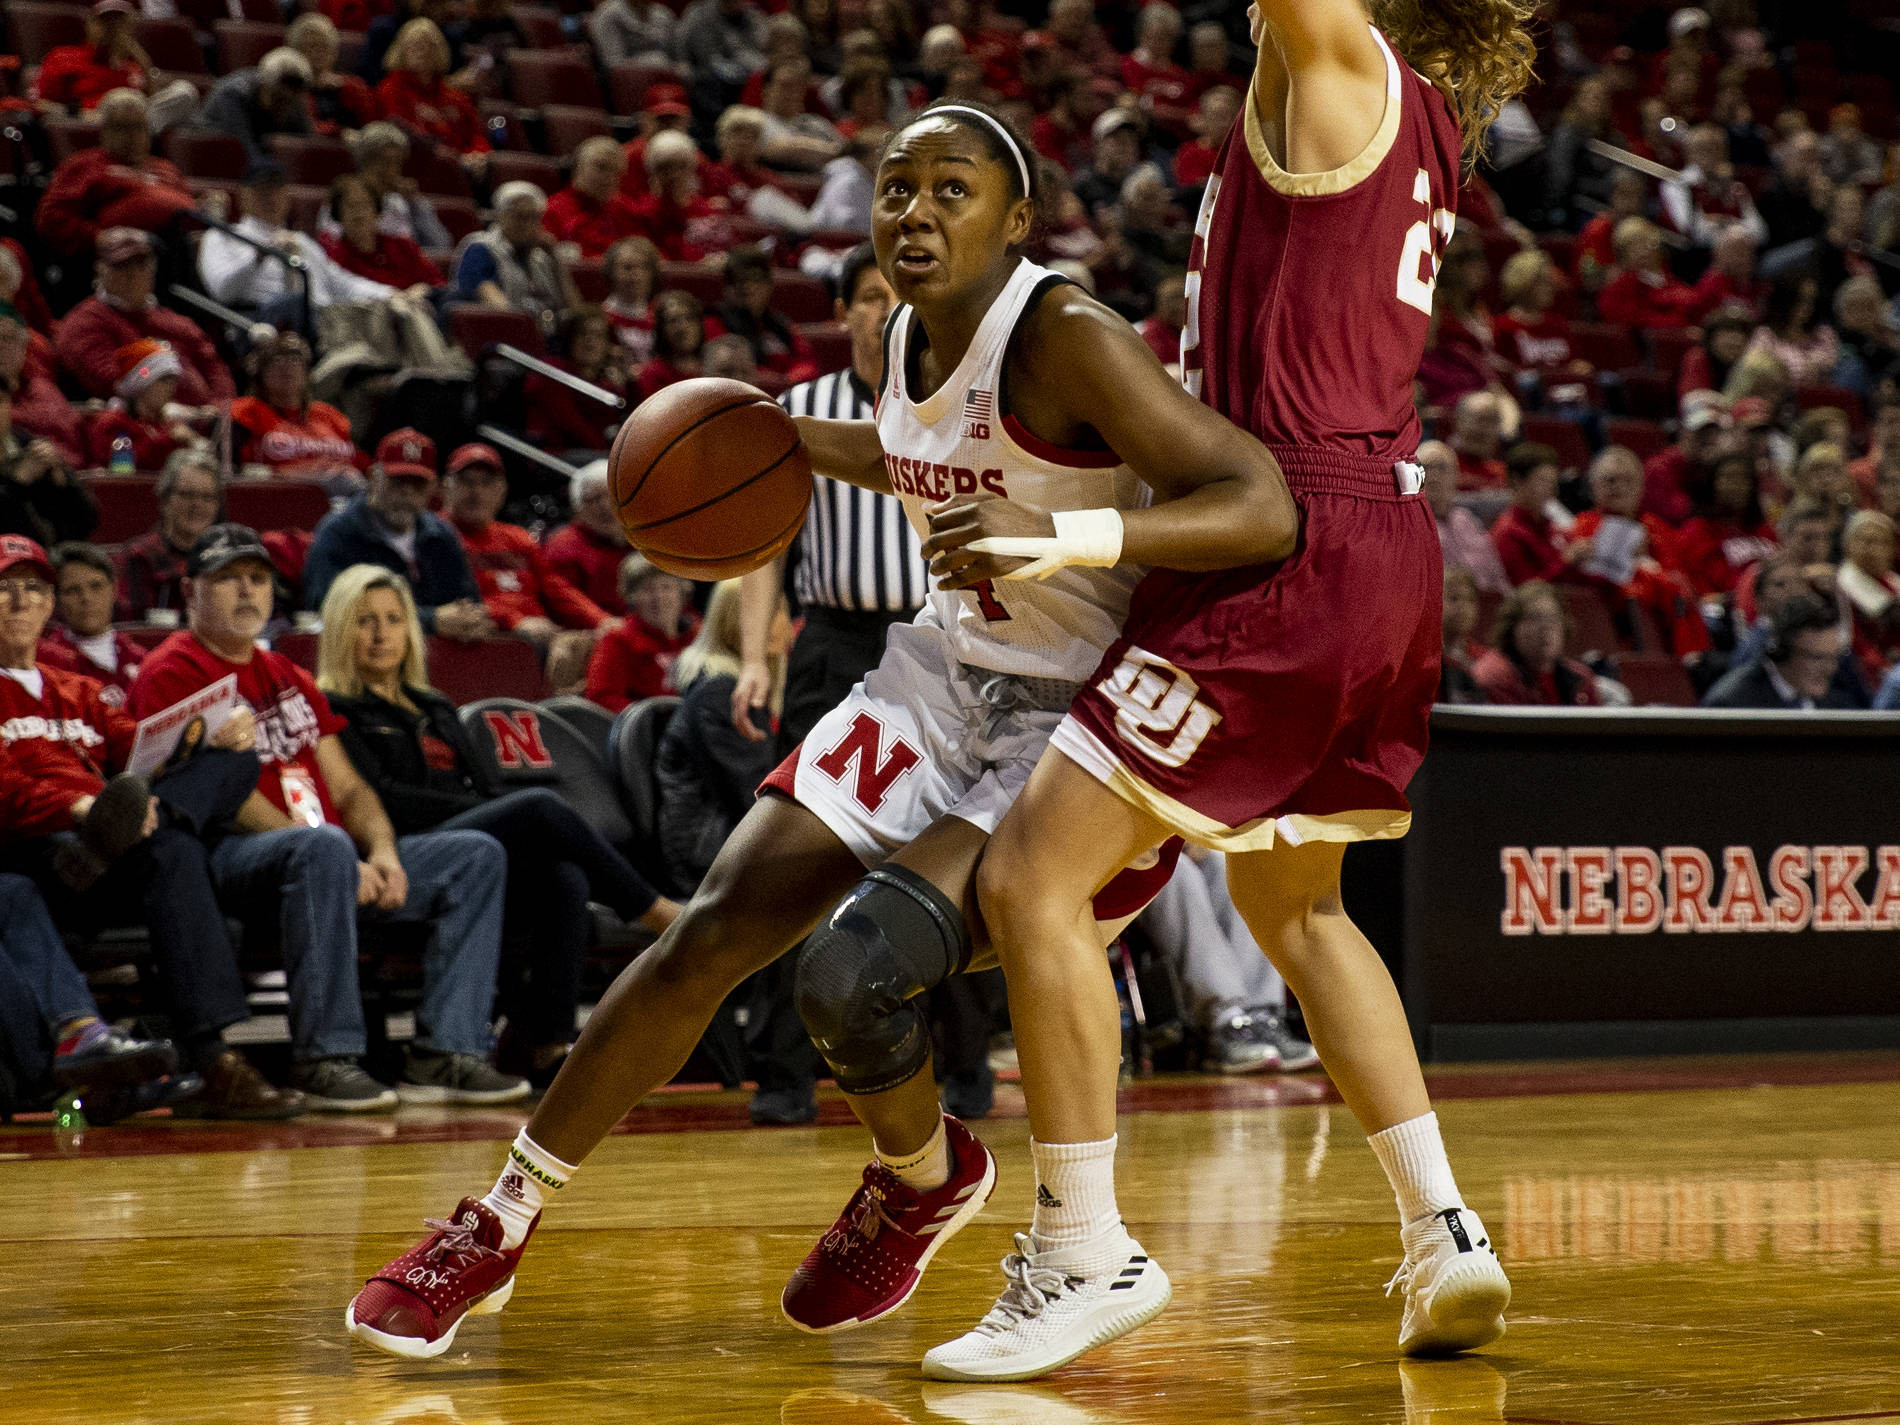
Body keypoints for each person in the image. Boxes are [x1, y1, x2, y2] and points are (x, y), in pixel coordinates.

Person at [346, 98, 1298, 1364]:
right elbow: (922, 458)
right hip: (943, 673)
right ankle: (501, 1218)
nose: (914, 212)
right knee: (712, 930)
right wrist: (779, 444)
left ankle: (925, 1182)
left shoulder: (1066, 335)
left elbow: (1260, 506)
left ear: (1018, 220)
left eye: (950, 190)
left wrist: (1064, 536)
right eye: (896, 190)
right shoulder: (906, 336)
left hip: (1074, 709)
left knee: (848, 977)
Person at [941, 0, 1533, 1379]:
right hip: (1378, 546)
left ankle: (1082, 1244)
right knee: (1298, 905)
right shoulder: (1382, 104)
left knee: (1034, 876)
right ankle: (1441, 1228)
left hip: (1290, 542)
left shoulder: (1337, 64)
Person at [132, 524, 527, 1111]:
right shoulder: (173, 670)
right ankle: (326, 1057)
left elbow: (349, 785)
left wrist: (384, 853)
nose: (247, 592)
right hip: (234, 858)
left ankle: (446, 1051)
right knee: (325, 850)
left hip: (323, 851)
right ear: (191, 592)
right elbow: (223, 797)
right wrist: (332, 849)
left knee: (475, 854)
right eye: (228, 580)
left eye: (258, 579)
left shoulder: (287, 674)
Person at [319, 564, 679, 1085]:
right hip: (398, 854)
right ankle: (656, 912)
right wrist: (479, 812)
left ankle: (546, 1042)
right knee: (536, 807)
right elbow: (383, 801)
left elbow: (478, 789)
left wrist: (481, 812)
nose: (381, 634)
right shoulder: (335, 708)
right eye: (364, 620)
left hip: (468, 847)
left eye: (393, 619)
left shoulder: (436, 706)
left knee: (564, 877)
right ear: (339, 630)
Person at [0, 534, 305, 1119]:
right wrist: (81, 810)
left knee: (214, 785)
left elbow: (137, 747)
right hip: (41, 858)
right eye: (6, 589)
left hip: (111, 857)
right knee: (170, 847)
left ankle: (214, 1061)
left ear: (48, 605)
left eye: (33, 590)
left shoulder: (79, 691)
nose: (19, 602)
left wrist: (210, 733)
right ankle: (214, 1059)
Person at [725, 243, 926, 1124]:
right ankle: (781, 1077)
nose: (883, 311)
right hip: (832, 644)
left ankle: (957, 1073)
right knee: (799, 857)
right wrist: (752, 658)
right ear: (842, 311)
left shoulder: (952, 402)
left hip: (934, 649)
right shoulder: (800, 409)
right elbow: (764, 545)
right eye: (869, 297)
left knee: (936, 853)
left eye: (896, 297)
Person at [441, 443, 613, 691]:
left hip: (539, 637)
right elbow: (451, 598)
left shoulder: (517, 538)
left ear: (502, 491)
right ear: (445, 487)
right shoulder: (438, 535)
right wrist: (514, 622)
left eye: (487, 483)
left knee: (594, 644)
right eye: (467, 482)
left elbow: (556, 589)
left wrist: (601, 621)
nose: (476, 492)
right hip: (485, 637)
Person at [303, 430, 491, 642]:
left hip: (440, 663)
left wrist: (470, 621)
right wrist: (431, 621)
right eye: (398, 481)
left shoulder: (441, 535)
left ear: (433, 487)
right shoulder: (340, 532)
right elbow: (330, 608)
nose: (407, 492)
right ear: (374, 477)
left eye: (417, 483)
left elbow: (469, 605)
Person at [55, 229, 236, 408]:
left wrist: (220, 407)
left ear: (153, 266)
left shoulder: (175, 322)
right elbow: (112, 381)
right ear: (100, 270)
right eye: (121, 265)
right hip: (144, 426)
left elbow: (213, 367)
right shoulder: (85, 323)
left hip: (209, 421)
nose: (132, 274)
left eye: (141, 263)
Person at [35, 89, 196, 261]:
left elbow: (188, 205)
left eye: (140, 127)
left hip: (181, 246)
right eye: (123, 127)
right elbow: (50, 216)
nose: (133, 136)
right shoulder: (85, 164)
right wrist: (98, 237)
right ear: (104, 131)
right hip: (123, 257)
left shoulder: (165, 168)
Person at [228, 331, 363, 488]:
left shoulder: (329, 415)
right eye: (276, 360)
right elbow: (238, 470)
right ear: (260, 373)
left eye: (295, 359)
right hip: (281, 497)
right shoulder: (248, 411)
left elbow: (362, 464)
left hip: (346, 497)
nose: (287, 366)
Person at [451, 183, 578, 333]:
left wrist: (556, 261)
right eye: (521, 217)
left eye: (535, 218)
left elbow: (575, 313)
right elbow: (498, 308)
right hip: (499, 337)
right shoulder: (480, 248)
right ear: (500, 217)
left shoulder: (541, 258)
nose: (528, 225)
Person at [116, 450, 220, 623]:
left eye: (207, 497)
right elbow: (132, 626)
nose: (197, 505)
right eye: (187, 495)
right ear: (164, 499)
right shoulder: (140, 556)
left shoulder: (223, 558)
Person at [584, 554, 696, 712]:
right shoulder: (617, 640)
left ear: (682, 593)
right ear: (631, 597)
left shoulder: (698, 635)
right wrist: (651, 716)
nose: (659, 597)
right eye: (647, 589)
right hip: (645, 731)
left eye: (666, 587)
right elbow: (601, 699)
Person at [1703, 592, 1853, 709]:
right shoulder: (1733, 704)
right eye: (1817, 658)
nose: (1830, 668)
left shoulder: (1834, 699)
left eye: (1834, 657)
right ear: (1782, 650)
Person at [39, 543, 146, 705]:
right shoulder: (47, 666)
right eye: (72, 590)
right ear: (56, 600)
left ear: (115, 589)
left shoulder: (140, 658)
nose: (86, 598)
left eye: (96, 586)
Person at [1469, 581, 1602, 706]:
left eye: (1553, 618)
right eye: (1534, 618)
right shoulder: (1494, 676)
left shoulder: (1580, 678)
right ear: (1512, 627)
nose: (1546, 627)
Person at [376, 19, 490, 164]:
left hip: (464, 168)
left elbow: (477, 137)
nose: (423, 52)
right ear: (401, 51)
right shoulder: (390, 90)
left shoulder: (456, 97)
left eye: (430, 46)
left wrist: (477, 153)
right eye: (416, 46)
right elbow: (403, 140)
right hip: (417, 165)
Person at [84, 339, 205, 474]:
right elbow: (123, 470)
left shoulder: (168, 423)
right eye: (164, 380)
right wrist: (170, 440)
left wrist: (193, 442)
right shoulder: (114, 423)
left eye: (174, 380)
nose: (171, 387)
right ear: (141, 384)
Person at [524, 307, 633, 455]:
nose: (590, 341)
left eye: (598, 335)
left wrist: (629, 383)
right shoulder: (552, 371)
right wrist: (610, 455)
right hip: (555, 455)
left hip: (595, 455)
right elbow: (570, 423)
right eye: (583, 333)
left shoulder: (605, 380)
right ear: (570, 339)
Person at [705, 247, 820, 384]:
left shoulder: (781, 324)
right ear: (726, 288)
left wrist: (786, 381)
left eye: (755, 279)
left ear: (769, 285)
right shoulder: (713, 322)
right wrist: (776, 381)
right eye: (739, 280)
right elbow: (732, 371)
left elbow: (808, 363)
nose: (747, 288)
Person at [321, 175, 447, 295]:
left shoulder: (403, 246)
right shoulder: (334, 259)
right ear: (338, 215)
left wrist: (423, 290)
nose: (358, 213)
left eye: (365, 204)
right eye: (351, 206)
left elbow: (437, 282)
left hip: (424, 307)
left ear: (377, 211)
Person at [1490, 442, 1589, 587]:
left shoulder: (1552, 527)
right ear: (1517, 481)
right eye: (1542, 480)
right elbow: (1525, 593)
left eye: (1553, 481)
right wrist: (1567, 561)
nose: (1552, 490)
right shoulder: (1508, 534)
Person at [191, 49, 316, 163]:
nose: (286, 102)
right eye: (280, 97)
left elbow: (307, 146)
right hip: (213, 155)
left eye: (293, 95)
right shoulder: (233, 94)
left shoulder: (293, 99)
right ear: (265, 85)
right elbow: (243, 148)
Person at [544, 461, 633, 616]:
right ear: (577, 508)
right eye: (595, 499)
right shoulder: (563, 546)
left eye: (611, 495)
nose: (605, 506)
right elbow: (562, 596)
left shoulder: (641, 538)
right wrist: (603, 622)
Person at [1421, 439, 1508, 596]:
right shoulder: (1407, 525)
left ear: (1456, 476)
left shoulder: (1466, 520)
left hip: (1481, 604)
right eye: (1426, 468)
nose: (1433, 476)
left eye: (1441, 468)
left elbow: (1496, 576)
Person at [1, 407, 95, 549]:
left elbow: (87, 522)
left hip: (54, 557)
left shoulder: (26, 444)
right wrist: (16, 484)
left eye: (1, 399)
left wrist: (62, 483)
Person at [545, 140, 644, 260]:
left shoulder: (624, 210)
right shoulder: (552, 211)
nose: (609, 178)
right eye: (601, 167)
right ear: (578, 167)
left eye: (616, 172)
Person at [288, 12, 380, 136]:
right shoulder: (290, 86)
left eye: (324, 46)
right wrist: (341, 133)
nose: (318, 52)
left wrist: (345, 89)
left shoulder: (353, 86)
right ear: (295, 50)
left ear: (334, 51)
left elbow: (374, 127)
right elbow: (306, 129)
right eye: (311, 46)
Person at [635, 290, 710, 399]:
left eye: (690, 318)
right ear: (661, 330)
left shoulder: (716, 368)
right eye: (673, 321)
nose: (683, 328)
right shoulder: (652, 375)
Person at [600, 238, 661, 365]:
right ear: (611, 273)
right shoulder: (601, 319)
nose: (637, 275)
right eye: (627, 268)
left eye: (644, 267)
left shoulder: (661, 316)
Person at [1436, 565, 1486, 703]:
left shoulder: (1483, 656)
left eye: (1470, 599)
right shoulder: (1425, 656)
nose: (1463, 606)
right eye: (1454, 598)